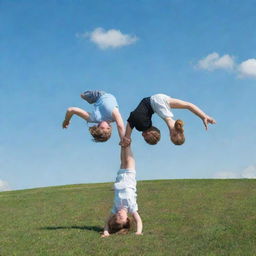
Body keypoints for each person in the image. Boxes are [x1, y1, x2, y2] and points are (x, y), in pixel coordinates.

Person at [122, 93, 216, 146]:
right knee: (140, 124)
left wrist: (203, 116)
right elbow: (132, 119)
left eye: (171, 137)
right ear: (176, 133)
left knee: (185, 106)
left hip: (160, 99)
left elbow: (189, 106)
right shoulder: (170, 122)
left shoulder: (171, 118)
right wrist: (203, 116)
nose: (170, 135)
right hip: (156, 101)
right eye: (173, 136)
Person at [101, 145, 143, 237]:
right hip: (129, 175)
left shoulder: (115, 208)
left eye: (116, 216)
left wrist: (106, 232)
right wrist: (138, 231)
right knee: (128, 152)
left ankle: (124, 137)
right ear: (127, 219)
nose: (118, 214)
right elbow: (138, 220)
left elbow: (107, 222)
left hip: (120, 176)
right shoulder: (131, 208)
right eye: (121, 217)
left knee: (123, 151)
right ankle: (126, 137)